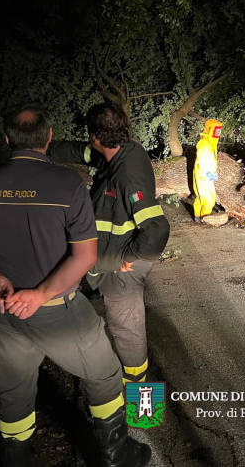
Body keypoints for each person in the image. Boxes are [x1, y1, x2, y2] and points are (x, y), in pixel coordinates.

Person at [0, 105, 151, 467]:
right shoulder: (69, 183)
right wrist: (131, 261)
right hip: (63, 307)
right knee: (109, 371)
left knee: (14, 392)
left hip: (3, 310)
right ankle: (120, 451)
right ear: (49, 136)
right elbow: (87, 255)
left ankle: (16, 459)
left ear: (7, 139)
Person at [48, 102, 170, 389]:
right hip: (107, 262)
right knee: (118, 329)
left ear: (95, 136)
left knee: (129, 334)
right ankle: (124, 390)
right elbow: (80, 152)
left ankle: (141, 403)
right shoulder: (116, 151)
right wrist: (44, 150)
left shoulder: (127, 175)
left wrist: (126, 259)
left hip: (122, 270)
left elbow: (157, 229)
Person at [192, 118, 222, 221]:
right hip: (203, 174)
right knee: (209, 199)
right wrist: (209, 173)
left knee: (201, 197)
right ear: (210, 130)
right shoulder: (205, 144)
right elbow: (202, 161)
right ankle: (205, 219)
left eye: (219, 131)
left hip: (203, 174)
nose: (217, 133)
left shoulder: (210, 143)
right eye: (216, 130)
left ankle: (198, 217)